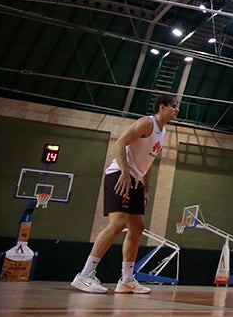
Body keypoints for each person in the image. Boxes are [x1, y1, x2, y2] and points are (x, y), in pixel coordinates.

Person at [71, 93, 179, 294]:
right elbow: (119, 143)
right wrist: (124, 171)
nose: (177, 110)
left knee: (137, 227)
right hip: (119, 175)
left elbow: (149, 163)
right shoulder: (147, 123)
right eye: (173, 106)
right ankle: (85, 275)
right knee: (118, 222)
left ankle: (127, 280)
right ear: (162, 107)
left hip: (136, 181)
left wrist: (145, 188)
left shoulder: (163, 133)